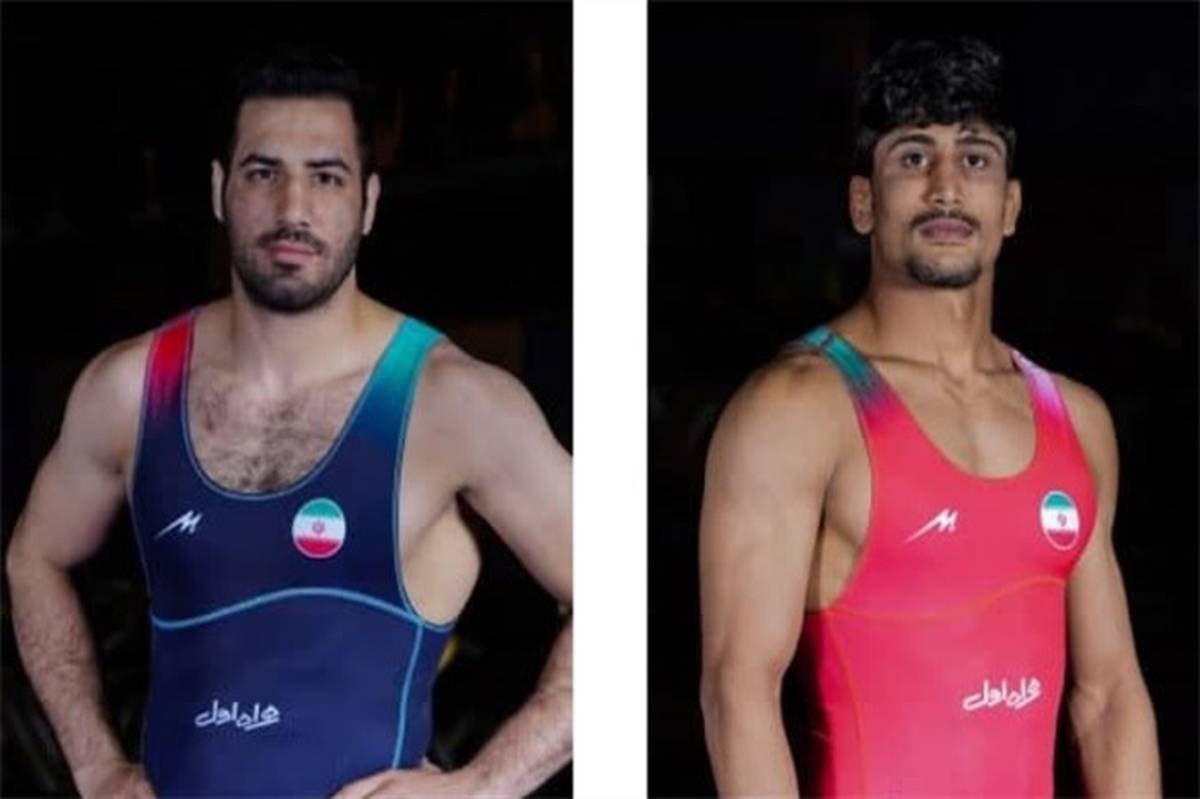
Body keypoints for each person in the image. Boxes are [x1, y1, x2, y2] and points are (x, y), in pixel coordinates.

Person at [6, 47, 571, 798]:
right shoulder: (131, 389)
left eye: (326, 177)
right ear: (219, 189)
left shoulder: (455, 404)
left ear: (368, 203)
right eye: (263, 172)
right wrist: (94, 765)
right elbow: (33, 557)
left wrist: (483, 785)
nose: (292, 208)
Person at [698, 36, 1159, 796]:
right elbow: (736, 691)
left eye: (975, 158)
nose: (946, 188)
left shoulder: (1077, 421)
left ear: (1010, 206)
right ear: (863, 202)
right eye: (913, 157)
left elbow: (1109, 696)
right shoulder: (797, 410)